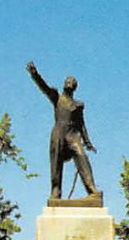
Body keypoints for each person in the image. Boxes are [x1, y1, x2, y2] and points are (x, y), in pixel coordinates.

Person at [27, 62, 99, 199]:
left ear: (75, 87)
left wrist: (88, 142)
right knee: (56, 162)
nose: (69, 82)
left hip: (73, 135)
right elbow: (44, 88)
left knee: (82, 156)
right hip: (59, 132)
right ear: (64, 84)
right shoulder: (57, 98)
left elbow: (81, 124)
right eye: (67, 81)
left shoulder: (78, 106)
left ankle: (92, 189)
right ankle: (56, 191)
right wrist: (35, 75)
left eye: (72, 81)